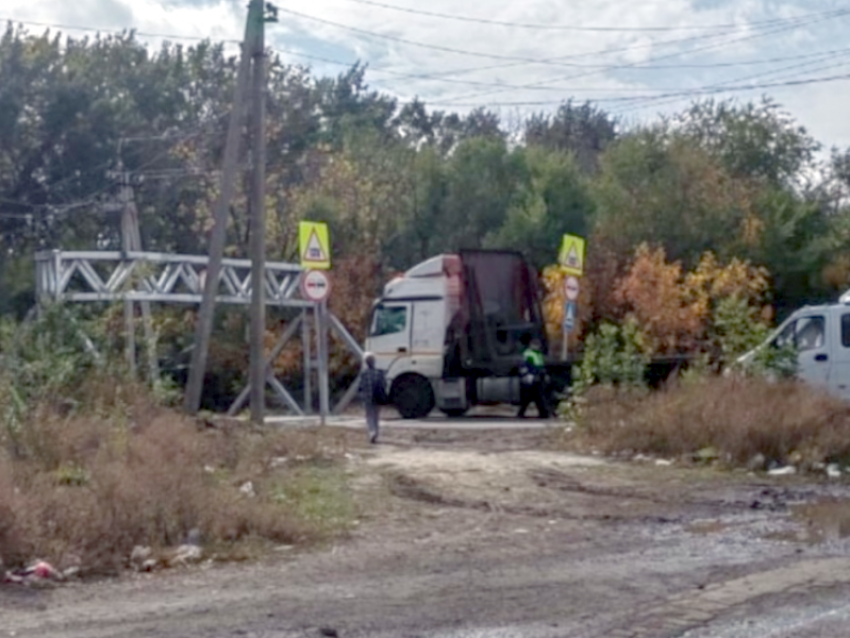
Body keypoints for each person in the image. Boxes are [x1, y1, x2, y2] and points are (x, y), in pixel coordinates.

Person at [517, 336, 550, 419]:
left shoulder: (538, 354)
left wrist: (544, 375)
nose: (538, 346)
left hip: (538, 378)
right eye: (535, 344)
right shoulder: (528, 354)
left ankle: (543, 413)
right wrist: (527, 376)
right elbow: (523, 366)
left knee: (539, 397)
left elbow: (541, 366)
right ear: (531, 345)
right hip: (531, 378)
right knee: (529, 398)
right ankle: (521, 413)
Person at [359, 352, 386, 444]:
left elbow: (361, 387)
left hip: (367, 398)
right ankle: (376, 433)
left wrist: (361, 396)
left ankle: (372, 432)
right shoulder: (379, 373)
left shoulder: (364, 374)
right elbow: (383, 385)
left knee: (369, 416)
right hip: (377, 397)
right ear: (374, 362)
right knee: (376, 416)